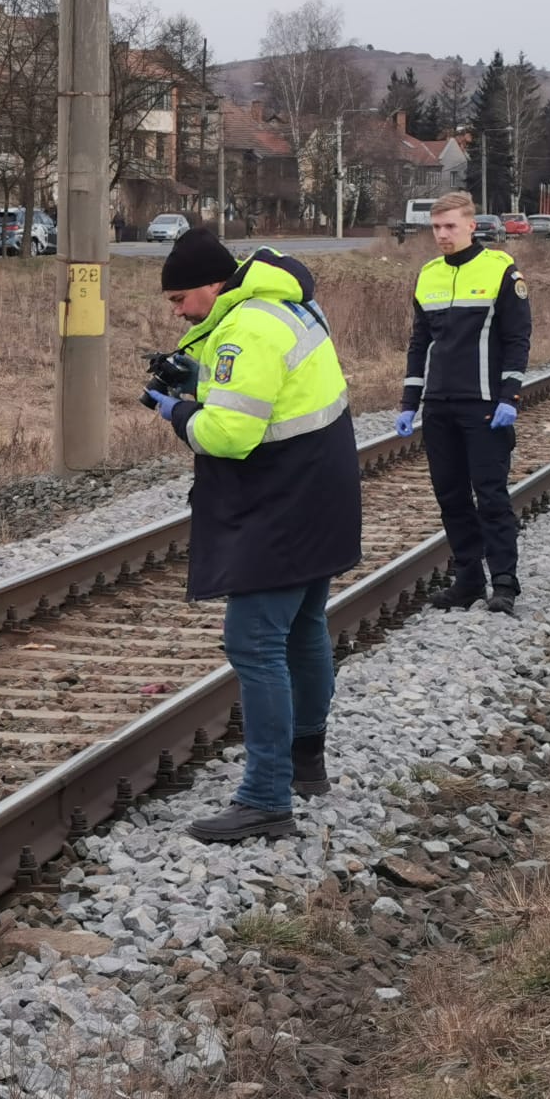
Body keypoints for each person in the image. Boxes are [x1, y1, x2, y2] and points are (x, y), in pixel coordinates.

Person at [144, 229, 362, 843]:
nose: (179, 311)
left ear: (214, 286)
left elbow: (230, 435)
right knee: (303, 629)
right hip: (321, 489)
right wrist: (199, 380)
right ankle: (305, 765)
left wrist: (176, 410)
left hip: (281, 501)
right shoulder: (285, 304)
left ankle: (266, 798)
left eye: (182, 298)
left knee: (254, 643)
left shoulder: (248, 329)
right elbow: (265, 397)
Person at [394, 190, 531, 614]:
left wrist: (510, 395)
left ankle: (504, 583)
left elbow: (516, 338)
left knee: (490, 496)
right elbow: (420, 344)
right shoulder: (428, 275)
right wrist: (408, 402)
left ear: (472, 225)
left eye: (450, 226)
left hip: (486, 405)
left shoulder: (500, 270)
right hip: (439, 406)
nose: (442, 234)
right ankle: (469, 580)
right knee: (450, 496)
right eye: (436, 227)